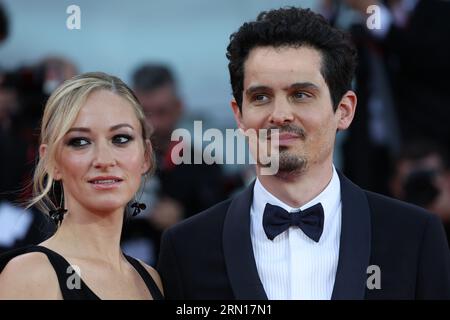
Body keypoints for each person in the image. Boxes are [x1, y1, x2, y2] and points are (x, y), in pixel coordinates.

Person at [157, 7, 450, 300]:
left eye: (301, 95)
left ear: (344, 111)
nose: (280, 114)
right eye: (261, 97)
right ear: (239, 115)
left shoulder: (414, 237)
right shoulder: (186, 248)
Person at [0, 72, 164, 300]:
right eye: (80, 141)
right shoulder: (31, 275)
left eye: (121, 138)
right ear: (51, 162)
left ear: (145, 156)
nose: (104, 160)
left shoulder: (150, 278)